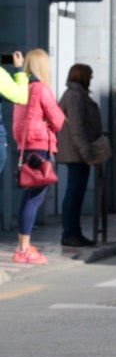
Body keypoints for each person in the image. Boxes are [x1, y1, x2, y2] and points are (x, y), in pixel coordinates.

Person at [12, 49, 64, 265]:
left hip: (26, 147)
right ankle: (23, 250)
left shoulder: (22, 88)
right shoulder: (42, 89)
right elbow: (58, 120)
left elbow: (17, 123)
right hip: (40, 145)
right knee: (35, 197)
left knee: (29, 196)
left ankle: (23, 245)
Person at [56, 63, 103, 248]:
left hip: (78, 153)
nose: (91, 78)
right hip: (76, 153)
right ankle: (69, 234)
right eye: (89, 75)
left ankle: (75, 233)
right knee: (74, 194)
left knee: (77, 194)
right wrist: (87, 153)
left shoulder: (77, 95)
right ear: (82, 76)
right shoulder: (75, 97)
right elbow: (77, 128)